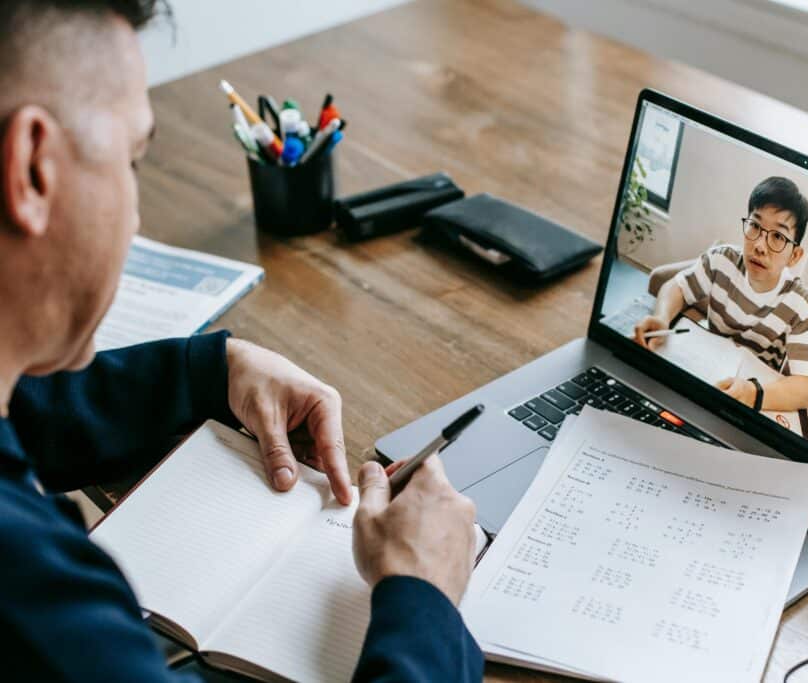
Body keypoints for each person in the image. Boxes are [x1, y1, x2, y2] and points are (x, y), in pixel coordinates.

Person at [0, 1, 481, 680]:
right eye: (133, 161)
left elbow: (23, 412)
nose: (134, 213)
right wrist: (425, 601)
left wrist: (209, 370)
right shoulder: (38, 607)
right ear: (33, 169)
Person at [633, 177, 808, 412]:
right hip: (703, 375)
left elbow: (807, 388)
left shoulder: (800, 304)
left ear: (795, 255)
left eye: (778, 237)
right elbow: (677, 286)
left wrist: (753, 394)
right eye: (755, 225)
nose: (760, 245)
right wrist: (661, 317)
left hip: (746, 399)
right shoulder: (721, 260)